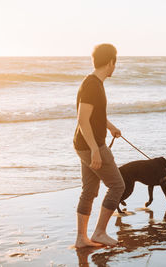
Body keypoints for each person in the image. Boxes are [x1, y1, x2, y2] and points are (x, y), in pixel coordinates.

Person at [73, 43, 125, 248]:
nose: (115, 67)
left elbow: (95, 115)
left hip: (84, 144)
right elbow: (83, 119)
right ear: (111, 62)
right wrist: (95, 149)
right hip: (90, 145)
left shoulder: (94, 82)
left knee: (89, 190)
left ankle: (81, 239)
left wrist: (110, 127)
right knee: (117, 185)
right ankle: (100, 232)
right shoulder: (92, 85)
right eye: (115, 63)